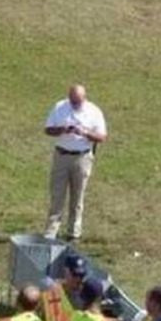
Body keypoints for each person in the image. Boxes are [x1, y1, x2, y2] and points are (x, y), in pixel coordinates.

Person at [44, 84, 107, 241]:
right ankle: (51, 231)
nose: (74, 105)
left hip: (82, 158)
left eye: (77, 102)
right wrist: (63, 129)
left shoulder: (94, 112)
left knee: (77, 196)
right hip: (62, 155)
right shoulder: (60, 107)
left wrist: (84, 132)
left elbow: (102, 137)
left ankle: (73, 231)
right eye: (72, 101)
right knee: (57, 194)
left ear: (84, 99)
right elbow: (48, 129)